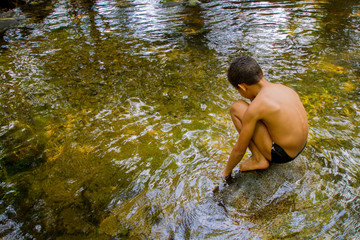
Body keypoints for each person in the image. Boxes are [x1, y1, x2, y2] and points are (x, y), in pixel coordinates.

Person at [221, 56, 308, 180]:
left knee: (237, 107)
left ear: (242, 87)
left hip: (283, 155)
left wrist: (226, 172)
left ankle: (258, 159)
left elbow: (239, 150)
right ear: (262, 72)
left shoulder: (257, 107)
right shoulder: (284, 88)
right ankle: (261, 156)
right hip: (301, 145)